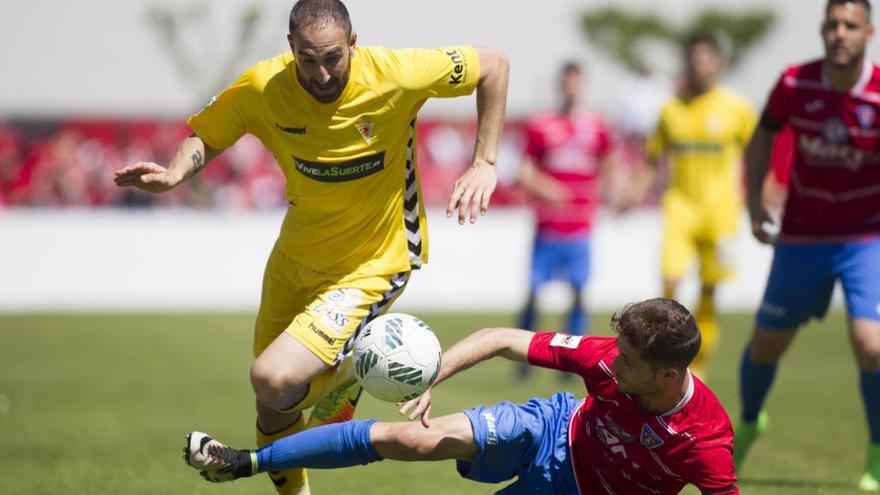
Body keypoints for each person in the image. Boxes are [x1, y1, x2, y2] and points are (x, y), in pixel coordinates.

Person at [113, 1, 509, 494]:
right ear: (290, 50)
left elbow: (493, 65)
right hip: (294, 260)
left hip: (374, 262)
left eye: (332, 58)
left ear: (353, 44)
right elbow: (210, 134)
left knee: (271, 379)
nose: (321, 73)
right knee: (273, 402)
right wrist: (174, 173)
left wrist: (484, 161)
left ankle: (351, 370)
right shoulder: (264, 86)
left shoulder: (396, 73)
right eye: (307, 59)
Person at [184, 298, 738, 494]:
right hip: (553, 429)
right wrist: (431, 376)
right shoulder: (605, 358)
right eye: (616, 351)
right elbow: (500, 339)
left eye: (629, 361)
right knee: (410, 438)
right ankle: (246, 462)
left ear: (668, 376)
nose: (612, 364)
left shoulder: (704, 442)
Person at [734, 1, 880, 490]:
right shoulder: (795, 83)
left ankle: (878, 453)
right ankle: (751, 421)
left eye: (850, 25)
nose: (839, 33)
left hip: (865, 237)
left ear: (869, 33)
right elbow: (762, 137)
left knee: (870, 344)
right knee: (766, 345)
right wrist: (754, 200)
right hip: (801, 236)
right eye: (831, 24)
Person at [628, 32, 756, 377]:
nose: (698, 64)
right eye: (693, 58)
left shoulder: (737, 109)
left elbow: (760, 156)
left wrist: (767, 198)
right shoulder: (670, 110)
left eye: (705, 57)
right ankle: (662, 354)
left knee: (709, 290)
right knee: (670, 282)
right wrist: (632, 193)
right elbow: (652, 161)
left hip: (721, 214)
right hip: (680, 209)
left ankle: (698, 367)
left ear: (718, 63)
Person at [514, 62, 619, 382]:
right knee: (533, 291)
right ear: (560, 84)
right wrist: (547, 189)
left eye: (576, 81)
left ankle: (576, 362)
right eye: (567, 81)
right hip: (549, 225)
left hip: (580, 226)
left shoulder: (596, 125)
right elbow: (524, 171)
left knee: (578, 291)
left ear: (582, 84)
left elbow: (610, 165)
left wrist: (612, 195)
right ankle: (522, 355)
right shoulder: (542, 124)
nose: (571, 86)